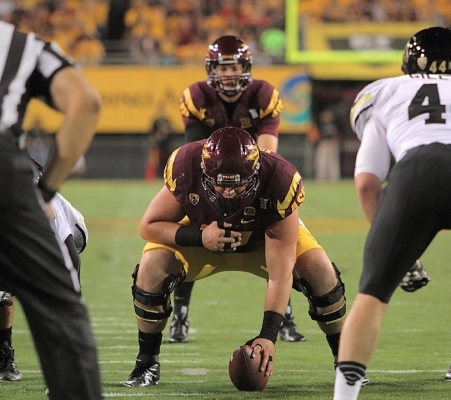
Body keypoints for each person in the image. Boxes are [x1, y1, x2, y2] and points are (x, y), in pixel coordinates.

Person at [122, 127, 369, 388]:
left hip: (261, 243)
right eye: (221, 182)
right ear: (204, 173)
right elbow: (148, 226)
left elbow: (280, 272)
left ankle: (345, 363)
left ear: (255, 173)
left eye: (237, 183)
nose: (228, 192)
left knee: (320, 270)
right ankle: (146, 363)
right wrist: (200, 238)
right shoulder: (186, 166)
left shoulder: (279, 179)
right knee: (151, 266)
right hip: (204, 241)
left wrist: (268, 335)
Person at [333, 27, 451, 400]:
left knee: (372, 294)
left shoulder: (384, 91)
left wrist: (403, 252)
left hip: (421, 169)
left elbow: (368, 182)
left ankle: (345, 395)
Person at [172, 34, 305, 344]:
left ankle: (285, 315)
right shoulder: (196, 96)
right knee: (191, 234)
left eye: (235, 67)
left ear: (247, 67)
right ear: (212, 70)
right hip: (209, 180)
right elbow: (193, 151)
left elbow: (268, 152)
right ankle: (179, 315)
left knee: (281, 240)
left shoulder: (263, 94)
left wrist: (260, 189)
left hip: (254, 178)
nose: (229, 73)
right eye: (223, 67)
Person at [0, 20, 102, 399]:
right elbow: (87, 103)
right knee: (61, 311)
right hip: (6, 171)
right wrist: (45, 192)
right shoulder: (19, 43)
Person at [0, 159, 89, 382]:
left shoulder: (44, 208)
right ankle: (3, 355)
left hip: (55, 240)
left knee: (62, 303)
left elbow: (70, 257)